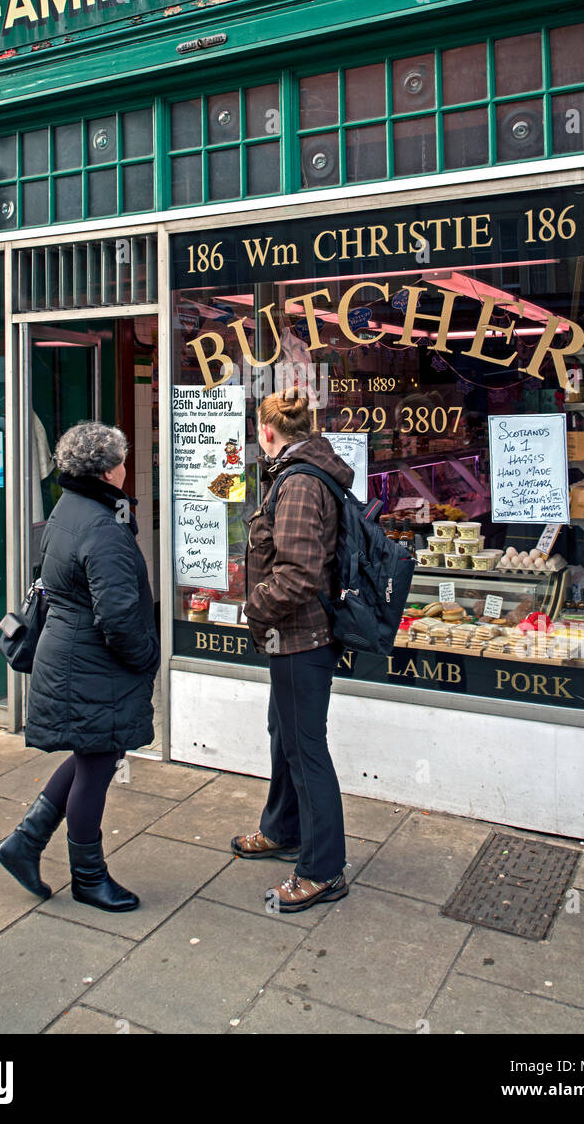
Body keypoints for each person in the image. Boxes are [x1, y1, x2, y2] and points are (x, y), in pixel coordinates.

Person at [0, 421, 159, 912]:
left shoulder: (69, 508)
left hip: (69, 656)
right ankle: (88, 877)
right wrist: (146, 658)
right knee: (98, 764)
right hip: (92, 665)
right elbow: (119, 616)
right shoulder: (103, 526)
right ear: (110, 470)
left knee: (93, 753)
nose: (126, 467)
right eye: (123, 459)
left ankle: (24, 843)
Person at [232, 388, 353, 912]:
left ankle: (323, 869)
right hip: (292, 638)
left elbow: (299, 574)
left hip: (303, 638)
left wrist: (254, 607)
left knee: (306, 751)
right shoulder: (295, 472)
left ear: (266, 432)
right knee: (284, 736)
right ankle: (282, 829)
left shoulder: (300, 483)